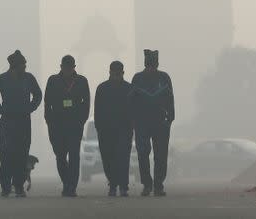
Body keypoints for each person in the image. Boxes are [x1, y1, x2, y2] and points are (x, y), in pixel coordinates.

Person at [0, 49, 42, 198]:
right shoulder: (1, 79)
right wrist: (2, 110)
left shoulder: (29, 78)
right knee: (5, 154)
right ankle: (5, 186)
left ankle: (18, 186)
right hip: (7, 122)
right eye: (23, 65)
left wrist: (30, 108)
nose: (25, 68)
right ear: (14, 66)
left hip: (24, 121)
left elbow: (38, 95)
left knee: (22, 155)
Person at [44, 54, 90, 197]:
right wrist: (49, 121)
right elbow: (47, 102)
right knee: (60, 156)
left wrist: (82, 120)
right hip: (57, 125)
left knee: (74, 156)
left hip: (75, 125)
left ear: (74, 67)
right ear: (61, 67)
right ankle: (66, 181)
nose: (68, 70)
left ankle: (71, 186)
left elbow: (86, 102)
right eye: (65, 68)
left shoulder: (81, 81)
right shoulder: (53, 80)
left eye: (70, 68)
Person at [131, 49, 174, 197]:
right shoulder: (137, 78)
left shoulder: (164, 77)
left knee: (160, 155)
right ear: (146, 63)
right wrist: (134, 121)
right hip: (142, 123)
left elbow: (170, 99)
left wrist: (170, 118)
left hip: (160, 122)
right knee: (143, 154)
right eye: (150, 64)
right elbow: (132, 101)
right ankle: (148, 185)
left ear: (156, 63)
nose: (151, 67)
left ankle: (158, 185)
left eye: (153, 64)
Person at [94, 60, 133, 197]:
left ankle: (123, 186)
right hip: (106, 129)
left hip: (124, 129)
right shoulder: (102, 88)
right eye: (114, 73)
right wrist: (98, 127)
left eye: (119, 73)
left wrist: (131, 126)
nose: (116, 75)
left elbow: (133, 109)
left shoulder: (129, 88)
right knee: (108, 159)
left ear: (122, 73)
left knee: (123, 158)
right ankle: (113, 182)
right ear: (109, 72)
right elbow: (97, 110)